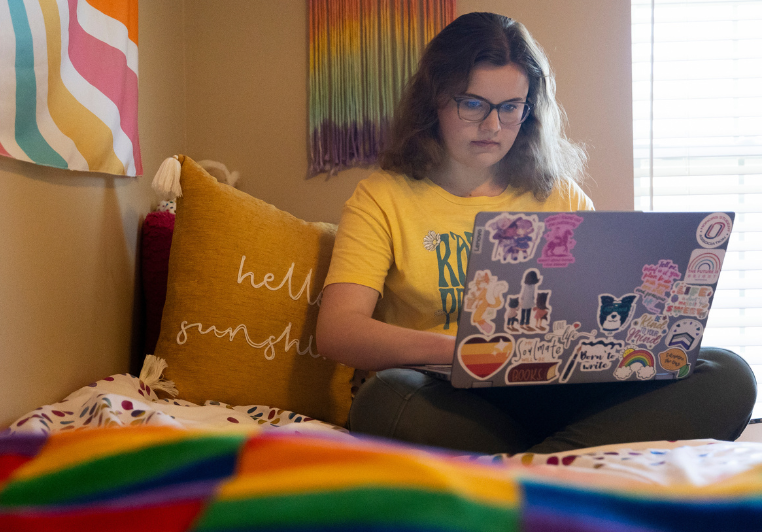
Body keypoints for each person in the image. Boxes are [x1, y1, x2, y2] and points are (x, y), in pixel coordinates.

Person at [316, 12, 757, 455]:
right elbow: (339, 330)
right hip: (454, 397)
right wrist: (459, 350)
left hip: (564, 393)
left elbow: (597, 315)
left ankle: (535, 460)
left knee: (728, 375)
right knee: (385, 402)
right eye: (473, 104)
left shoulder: (560, 195)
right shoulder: (382, 197)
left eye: (511, 108)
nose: (493, 126)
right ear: (434, 100)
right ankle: (569, 457)